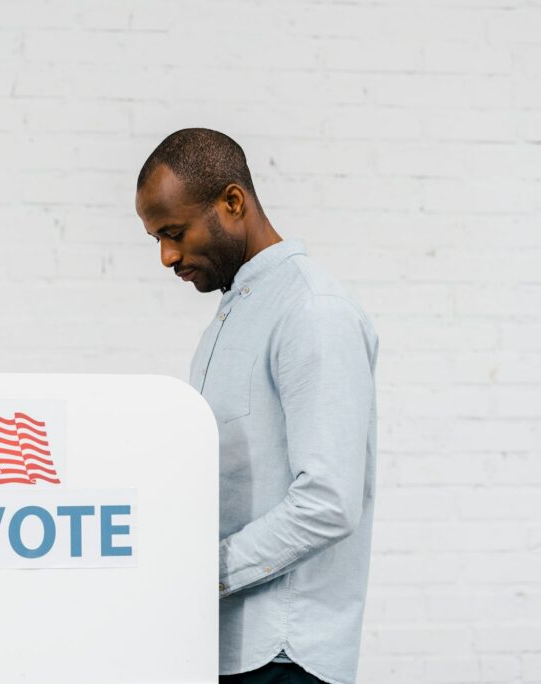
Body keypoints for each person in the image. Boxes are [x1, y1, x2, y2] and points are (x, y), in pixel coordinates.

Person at [134, 128, 379, 684]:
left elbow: (329, 502)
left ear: (232, 202)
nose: (167, 256)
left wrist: (200, 572)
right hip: (225, 645)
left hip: (283, 655)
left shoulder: (313, 311)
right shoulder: (236, 311)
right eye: (156, 239)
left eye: (174, 233)